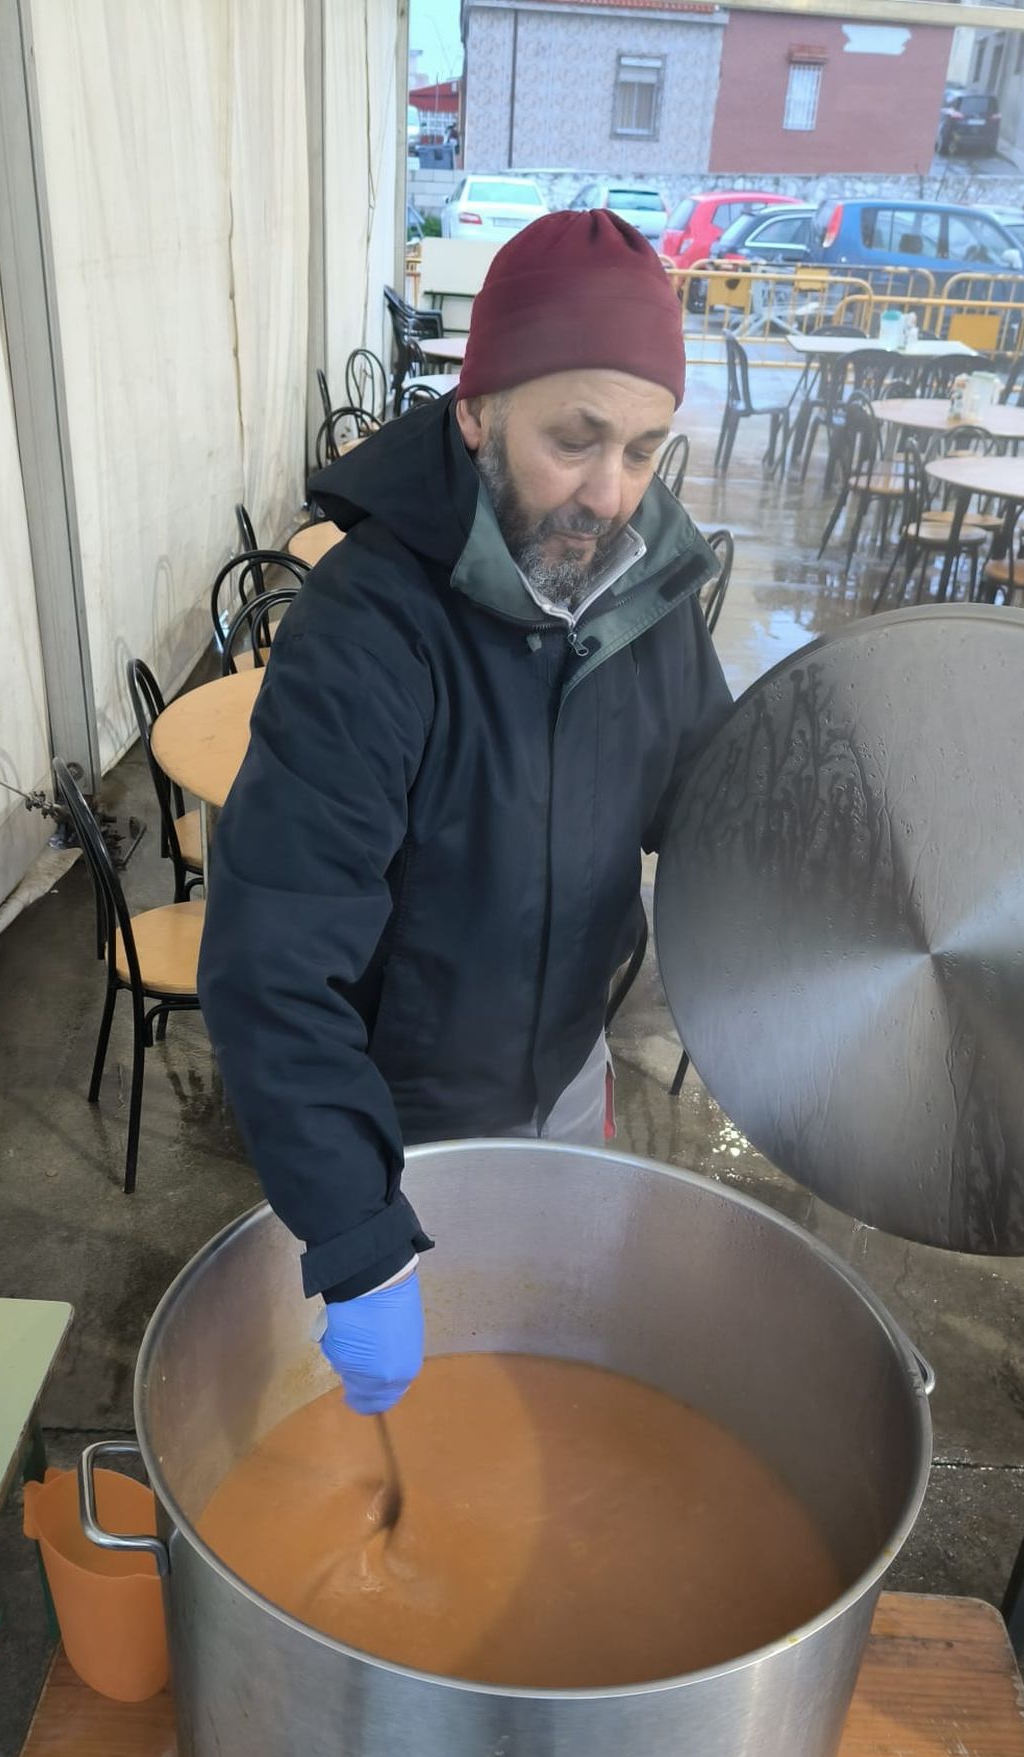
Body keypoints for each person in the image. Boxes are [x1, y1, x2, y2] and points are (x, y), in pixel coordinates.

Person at [197, 211, 734, 1416]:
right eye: (574, 440)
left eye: (644, 450)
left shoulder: (643, 604)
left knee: (533, 1393)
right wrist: (355, 1231)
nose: (609, 496)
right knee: (397, 1419)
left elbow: (716, 808)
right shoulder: (370, 634)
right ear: (477, 411)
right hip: (398, 1120)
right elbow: (274, 960)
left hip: (561, 1080)